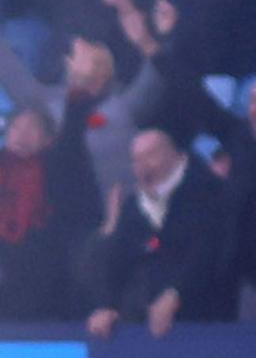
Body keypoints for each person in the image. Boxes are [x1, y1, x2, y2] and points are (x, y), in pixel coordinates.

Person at [88, 129, 236, 337]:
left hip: (208, 325)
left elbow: (208, 253)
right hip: (147, 329)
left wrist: (176, 294)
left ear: (173, 154)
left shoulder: (209, 191)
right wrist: (107, 306)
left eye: (150, 155)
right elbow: (117, 261)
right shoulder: (133, 207)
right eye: (136, 160)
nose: (143, 167)